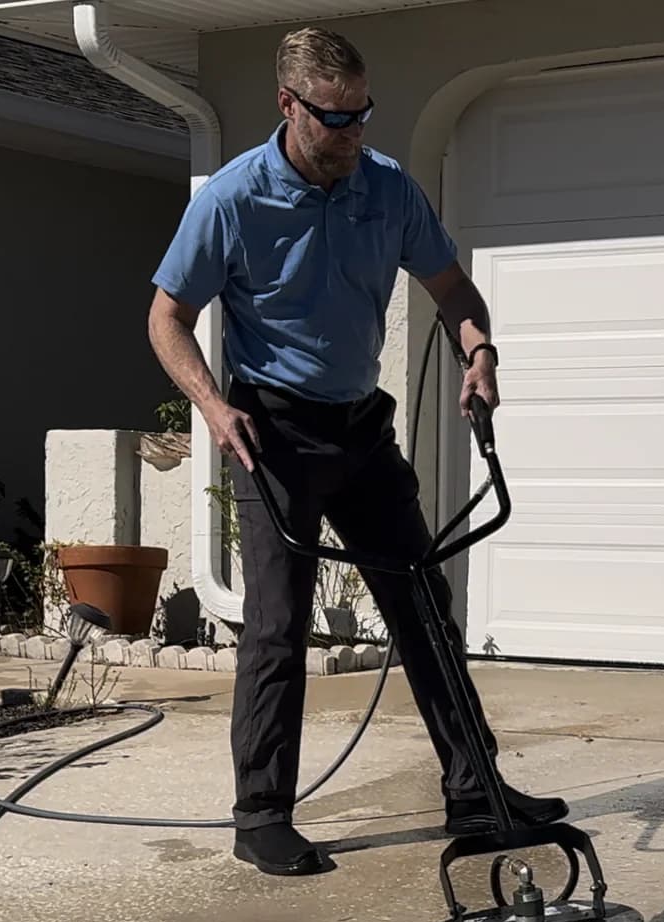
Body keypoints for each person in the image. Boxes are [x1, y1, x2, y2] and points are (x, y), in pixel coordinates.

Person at [147, 26, 567, 876]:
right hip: (273, 434)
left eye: (361, 115)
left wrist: (479, 351)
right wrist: (214, 408)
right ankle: (262, 816)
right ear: (288, 105)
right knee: (277, 626)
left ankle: (476, 790)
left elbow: (452, 289)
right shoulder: (231, 200)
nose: (351, 134)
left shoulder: (387, 188)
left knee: (424, 609)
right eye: (333, 119)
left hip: (362, 430)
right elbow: (166, 318)